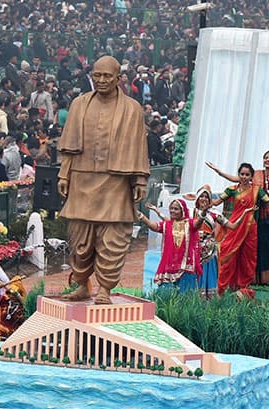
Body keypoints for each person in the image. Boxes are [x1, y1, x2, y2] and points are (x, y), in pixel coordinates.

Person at [58, 56, 149, 305]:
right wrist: (64, 174)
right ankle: (81, 285)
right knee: (80, 238)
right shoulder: (79, 104)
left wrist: (140, 178)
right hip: (82, 179)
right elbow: (69, 146)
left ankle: (105, 289)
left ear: (118, 78)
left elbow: (139, 145)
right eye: (97, 75)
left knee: (112, 240)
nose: (101, 80)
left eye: (107, 76)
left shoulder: (132, 109)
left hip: (116, 182)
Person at [207, 151, 269, 286]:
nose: (268, 160)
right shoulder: (248, 179)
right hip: (248, 219)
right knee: (247, 249)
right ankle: (243, 279)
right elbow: (232, 185)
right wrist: (218, 172)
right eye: (265, 158)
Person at [206, 163, 269, 297]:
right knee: (228, 255)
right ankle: (222, 287)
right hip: (234, 226)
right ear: (238, 175)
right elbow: (216, 202)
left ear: (251, 176)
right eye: (242, 174)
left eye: (247, 174)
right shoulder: (231, 190)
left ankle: (243, 287)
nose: (244, 177)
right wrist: (202, 198)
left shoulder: (257, 190)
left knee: (248, 258)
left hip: (250, 228)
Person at [136, 198, 203, 291]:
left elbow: (198, 224)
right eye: (171, 208)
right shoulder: (167, 225)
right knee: (165, 295)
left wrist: (204, 212)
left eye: (176, 209)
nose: (172, 211)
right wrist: (142, 216)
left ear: (182, 211)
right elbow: (153, 226)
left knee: (186, 296)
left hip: (185, 267)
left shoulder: (189, 224)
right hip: (169, 265)